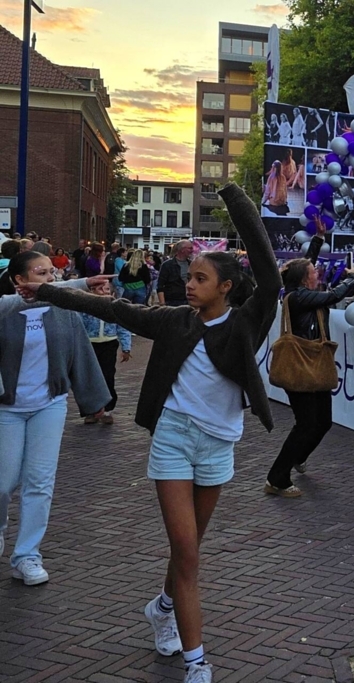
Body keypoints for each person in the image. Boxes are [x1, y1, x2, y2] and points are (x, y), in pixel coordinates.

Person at [29, 184, 280, 683]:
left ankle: (163, 607)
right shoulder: (173, 321)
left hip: (219, 443)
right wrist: (47, 290)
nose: (190, 284)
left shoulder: (249, 321)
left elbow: (269, 270)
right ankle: (197, 662)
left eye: (201, 278)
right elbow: (115, 311)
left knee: (189, 551)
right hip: (173, 439)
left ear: (226, 287)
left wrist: (233, 197)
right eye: (190, 275)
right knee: (186, 552)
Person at [1, 252, 111, 586]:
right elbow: (12, 303)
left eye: (53, 273)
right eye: (41, 273)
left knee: (40, 481)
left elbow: (79, 350)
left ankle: (27, 555)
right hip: (6, 407)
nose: (51, 279)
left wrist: (93, 400)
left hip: (49, 404)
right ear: (18, 280)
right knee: (3, 482)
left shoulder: (62, 308)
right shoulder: (5, 307)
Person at [265, 223, 354, 498]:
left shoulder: (301, 289)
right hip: (301, 366)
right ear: (303, 279)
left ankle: (298, 456)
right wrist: (352, 278)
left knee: (323, 422)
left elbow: (307, 262)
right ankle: (276, 478)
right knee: (306, 424)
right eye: (313, 272)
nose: (317, 272)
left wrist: (319, 239)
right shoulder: (298, 297)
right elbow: (333, 296)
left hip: (314, 364)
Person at [79, 279, 132, 425]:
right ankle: (91, 410)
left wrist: (126, 347)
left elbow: (123, 327)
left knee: (108, 376)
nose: (104, 292)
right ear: (92, 291)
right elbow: (78, 327)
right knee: (89, 377)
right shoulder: (86, 308)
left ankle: (108, 409)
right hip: (90, 344)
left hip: (109, 344)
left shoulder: (115, 308)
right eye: (100, 289)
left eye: (107, 289)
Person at [158, 240, 195, 307]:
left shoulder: (192, 264)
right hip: (171, 302)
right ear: (182, 250)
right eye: (190, 248)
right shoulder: (167, 265)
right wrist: (162, 304)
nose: (192, 250)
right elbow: (160, 285)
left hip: (188, 300)